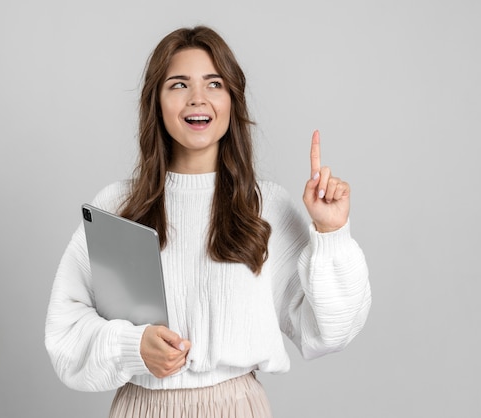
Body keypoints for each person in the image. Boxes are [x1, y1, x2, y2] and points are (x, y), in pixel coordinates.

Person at [45, 25, 371, 417]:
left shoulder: (265, 207)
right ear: (156, 101)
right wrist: (132, 347)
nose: (197, 99)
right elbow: (65, 333)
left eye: (214, 84)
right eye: (178, 85)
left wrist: (331, 234)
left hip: (236, 407)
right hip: (142, 406)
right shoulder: (118, 205)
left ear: (232, 99)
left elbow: (328, 331)